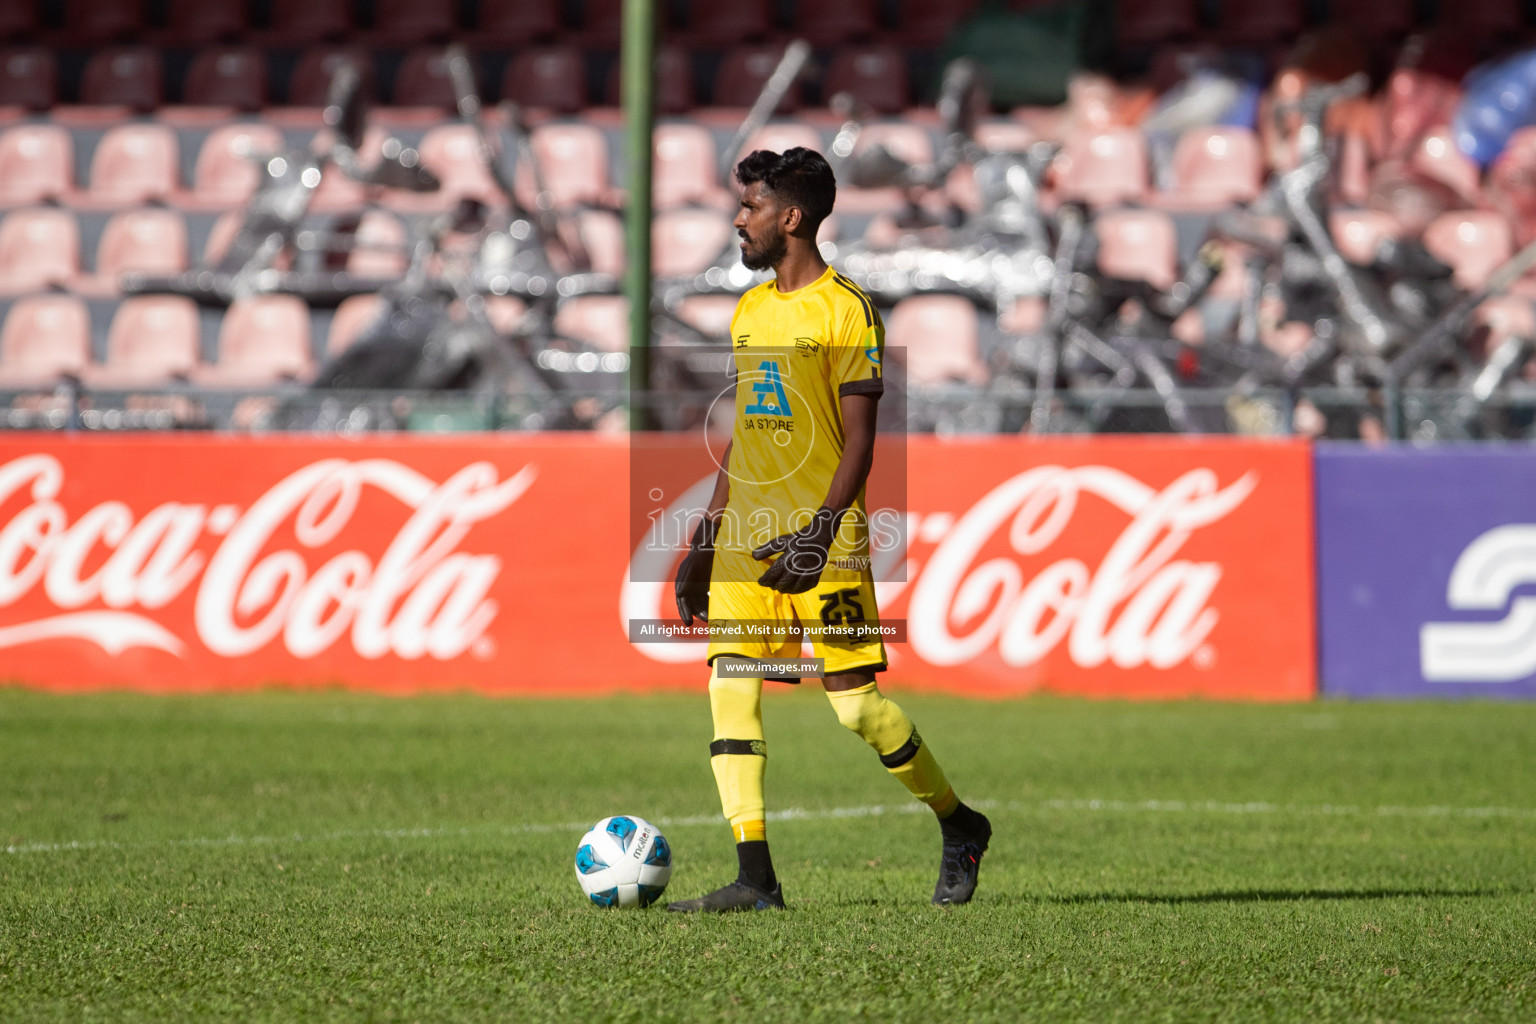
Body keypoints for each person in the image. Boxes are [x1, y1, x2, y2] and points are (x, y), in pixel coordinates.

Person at [666, 147, 991, 913]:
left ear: (792, 218)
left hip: (826, 542)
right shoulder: (750, 312)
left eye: (750, 208)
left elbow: (861, 443)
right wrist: (706, 537)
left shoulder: (846, 308)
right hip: (749, 536)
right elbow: (746, 432)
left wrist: (817, 533)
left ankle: (960, 822)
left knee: (854, 706)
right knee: (730, 686)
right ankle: (755, 879)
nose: (738, 220)